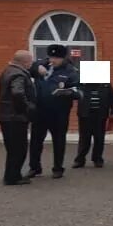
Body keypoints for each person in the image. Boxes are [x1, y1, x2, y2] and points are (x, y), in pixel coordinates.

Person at [28, 44, 80, 179]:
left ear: (63, 58)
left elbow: (79, 91)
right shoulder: (42, 65)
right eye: (51, 57)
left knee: (58, 141)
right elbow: (27, 68)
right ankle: (34, 167)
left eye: (56, 58)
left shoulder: (71, 71)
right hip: (40, 111)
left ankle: (58, 168)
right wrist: (36, 67)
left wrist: (68, 92)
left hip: (59, 113)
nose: (53, 60)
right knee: (35, 141)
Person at [0, 50, 37, 186]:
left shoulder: (7, 71)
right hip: (15, 117)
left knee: (12, 148)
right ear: (24, 62)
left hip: (6, 115)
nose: (31, 64)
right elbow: (18, 93)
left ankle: (12, 175)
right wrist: (28, 107)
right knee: (19, 148)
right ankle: (13, 177)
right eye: (30, 61)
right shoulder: (18, 74)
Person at [72, 70, 113, 169]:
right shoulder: (82, 84)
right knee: (84, 139)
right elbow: (74, 93)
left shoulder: (105, 84)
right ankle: (80, 159)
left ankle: (97, 159)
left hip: (100, 115)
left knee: (99, 138)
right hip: (85, 115)